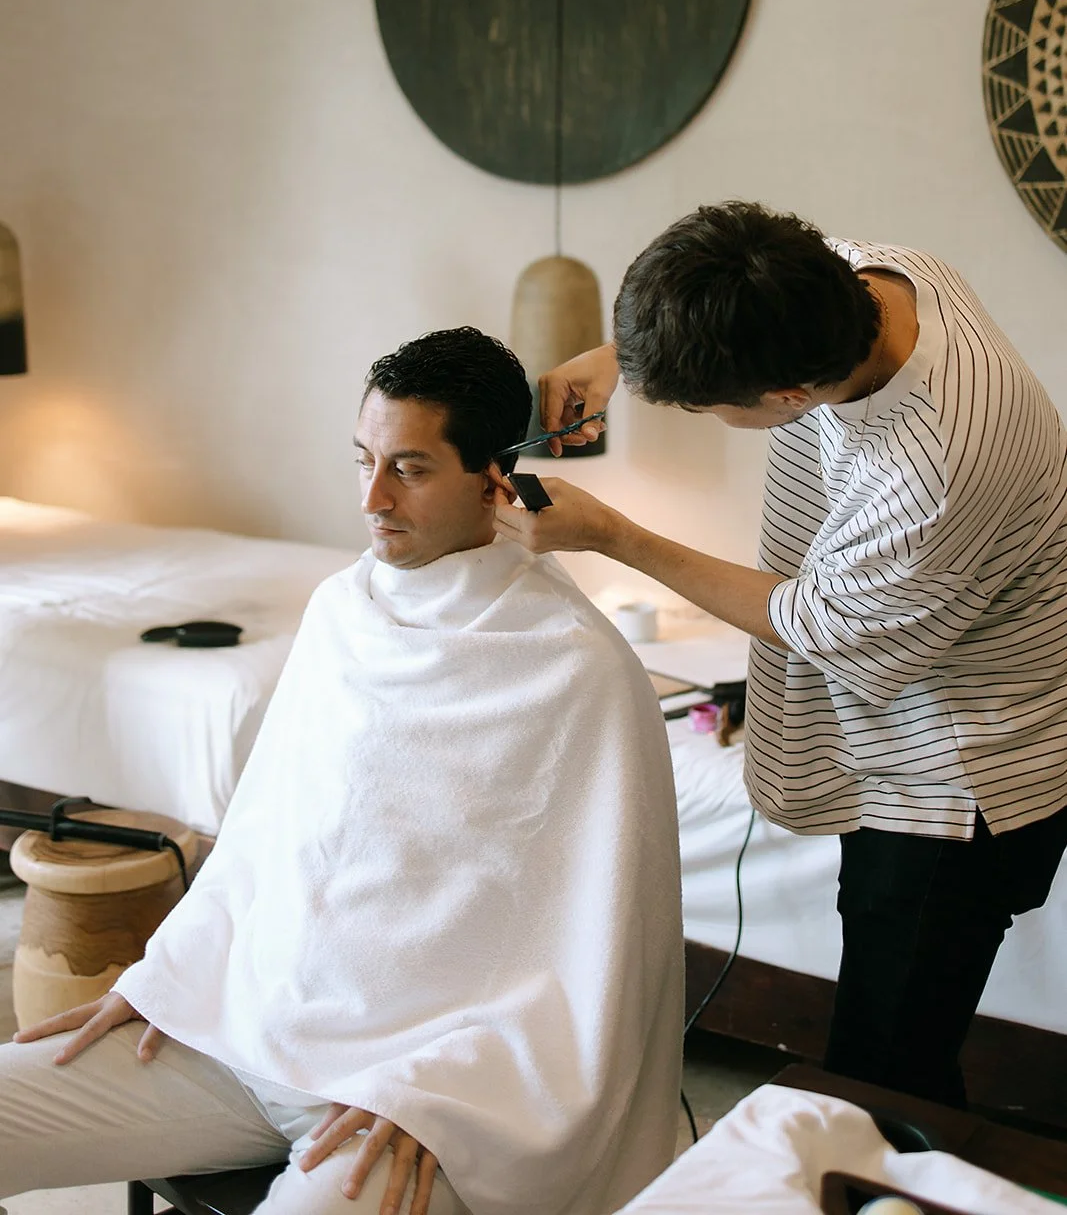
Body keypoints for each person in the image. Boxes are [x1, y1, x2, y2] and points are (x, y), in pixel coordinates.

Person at [0, 328, 683, 1215]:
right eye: (362, 459)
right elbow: (266, 836)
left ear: (494, 476)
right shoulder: (339, 609)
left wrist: (453, 1093)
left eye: (409, 468)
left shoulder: (572, 663)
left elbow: (593, 955)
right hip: (245, 1034)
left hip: (425, 1092)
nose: (371, 497)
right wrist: (174, 977)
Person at [493, 202, 1067, 1109]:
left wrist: (611, 534)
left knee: (885, 1074)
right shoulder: (881, 274)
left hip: (958, 775)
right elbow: (750, 271)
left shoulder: (935, 464)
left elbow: (816, 618)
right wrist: (622, 358)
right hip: (924, 714)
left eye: (708, 409)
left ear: (789, 399)